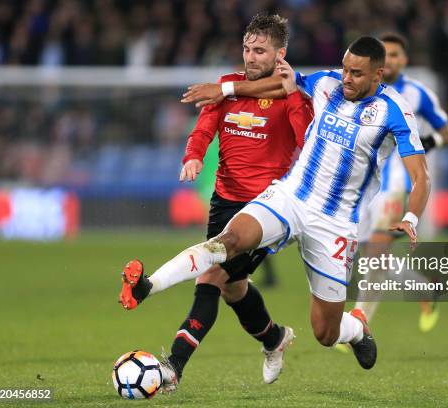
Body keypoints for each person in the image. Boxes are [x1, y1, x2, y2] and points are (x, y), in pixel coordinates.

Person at [120, 36, 430, 379]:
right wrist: (225, 91)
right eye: (344, 69)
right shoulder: (328, 81)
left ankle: (355, 329)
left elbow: (421, 177)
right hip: (290, 197)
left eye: (356, 73)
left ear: (378, 75)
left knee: (325, 333)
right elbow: (282, 83)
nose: (346, 79)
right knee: (228, 242)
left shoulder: (395, 111)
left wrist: (411, 216)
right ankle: (148, 286)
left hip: (334, 223)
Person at [118, 14, 313, 391]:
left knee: (209, 278)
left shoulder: (292, 96)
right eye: (246, 48)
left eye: (260, 50)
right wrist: (192, 155)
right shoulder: (227, 87)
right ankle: (274, 339)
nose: (251, 57)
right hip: (225, 201)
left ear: (280, 54)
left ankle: (173, 364)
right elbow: (204, 128)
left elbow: (308, 139)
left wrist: (291, 97)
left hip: (266, 209)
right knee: (233, 289)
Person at [352, 33, 448, 333]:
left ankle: (359, 323)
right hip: (364, 187)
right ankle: (425, 289)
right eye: (387, 55)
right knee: (364, 253)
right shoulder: (362, 90)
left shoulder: (418, 93)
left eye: (396, 54)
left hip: (398, 186)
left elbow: (447, 132)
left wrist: (430, 140)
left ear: (405, 59)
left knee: (376, 253)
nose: (392, 60)